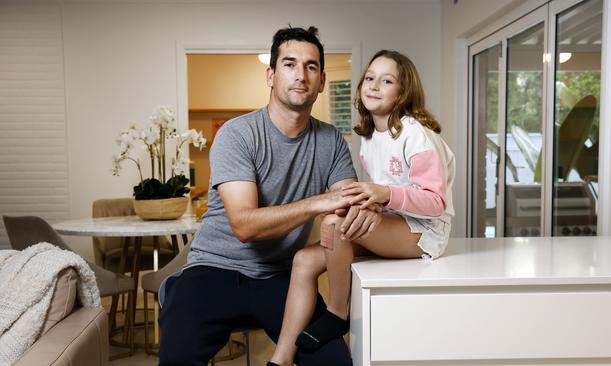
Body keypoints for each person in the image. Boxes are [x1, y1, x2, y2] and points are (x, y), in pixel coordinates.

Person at [157, 26, 381, 366]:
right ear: (271, 75)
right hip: (213, 269)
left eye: (311, 66)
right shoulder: (238, 134)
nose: (301, 75)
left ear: (321, 81)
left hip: (281, 277)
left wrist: (370, 205)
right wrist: (318, 202)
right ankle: (178, 292)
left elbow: (348, 209)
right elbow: (245, 226)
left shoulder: (331, 141)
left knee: (333, 360)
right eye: (290, 64)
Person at [269, 50, 455, 366]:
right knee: (303, 261)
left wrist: (382, 195)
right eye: (369, 78)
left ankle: (338, 313)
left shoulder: (416, 135)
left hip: (423, 231)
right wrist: (371, 202)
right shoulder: (369, 136)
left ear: (402, 92)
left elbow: (436, 203)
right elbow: (383, 196)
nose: (373, 85)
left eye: (386, 81)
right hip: (391, 223)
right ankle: (282, 357)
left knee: (333, 224)